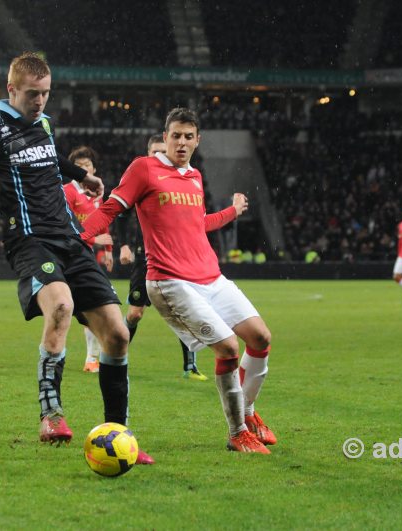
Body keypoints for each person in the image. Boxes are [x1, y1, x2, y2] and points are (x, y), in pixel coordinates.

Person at [0, 52, 153, 464]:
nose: (40, 101)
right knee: (61, 308)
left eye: (46, 94)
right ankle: (51, 414)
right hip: (29, 240)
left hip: (69, 238)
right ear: (11, 89)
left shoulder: (44, 123)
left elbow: (49, 158)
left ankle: (118, 435)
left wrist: (80, 175)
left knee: (119, 335)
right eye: (33, 94)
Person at [82, 107, 276, 454]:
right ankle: (237, 433)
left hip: (211, 277)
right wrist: (80, 238)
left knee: (261, 338)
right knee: (229, 348)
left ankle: (248, 411)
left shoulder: (196, 177)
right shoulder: (144, 168)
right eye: (176, 136)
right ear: (165, 137)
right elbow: (112, 208)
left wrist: (232, 211)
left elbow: (197, 224)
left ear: (197, 140)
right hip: (171, 281)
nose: (182, 142)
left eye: (189, 136)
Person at [116, 134, 207, 382]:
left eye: (162, 151)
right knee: (135, 313)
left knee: (183, 312)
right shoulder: (141, 178)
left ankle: (191, 366)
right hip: (144, 257)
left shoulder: (178, 179)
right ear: (148, 153)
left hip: (175, 259)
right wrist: (123, 245)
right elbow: (121, 213)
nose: (160, 156)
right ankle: (115, 358)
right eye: (155, 152)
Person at [63, 146, 114, 373]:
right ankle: (88, 357)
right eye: (79, 167)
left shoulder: (97, 194)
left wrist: (109, 249)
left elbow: (103, 223)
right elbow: (67, 227)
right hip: (69, 258)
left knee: (91, 308)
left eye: (87, 166)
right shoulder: (67, 192)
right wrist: (95, 241)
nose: (84, 169)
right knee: (77, 309)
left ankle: (92, 358)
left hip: (86, 258)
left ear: (94, 169)